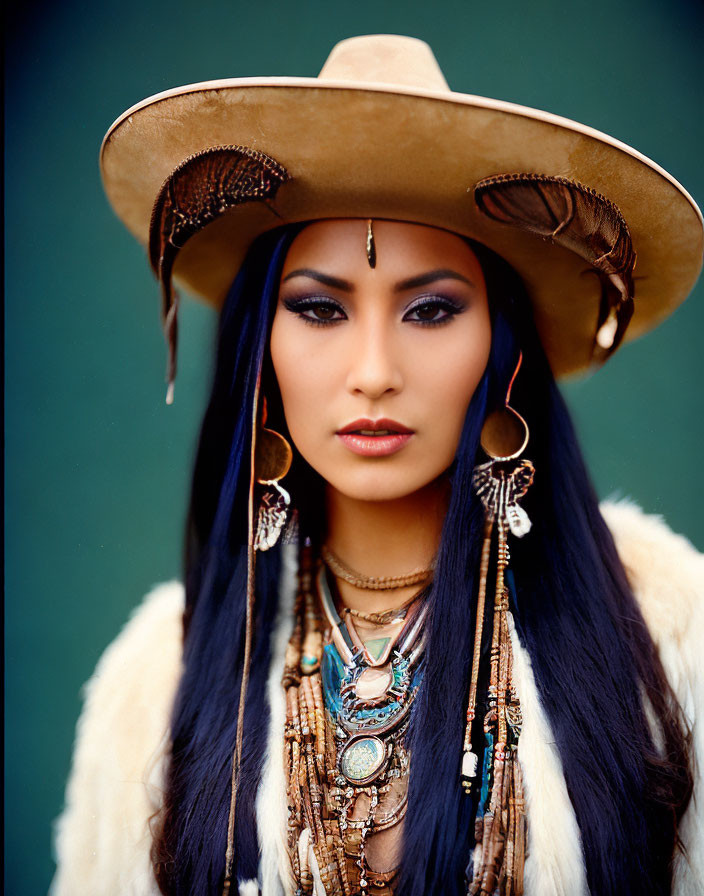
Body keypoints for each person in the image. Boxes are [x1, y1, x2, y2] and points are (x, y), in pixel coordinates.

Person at [51, 34, 703, 896]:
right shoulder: (155, 680)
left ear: (503, 349)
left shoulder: (668, 632)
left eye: (430, 310)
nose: (372, 371)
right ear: (262, 348)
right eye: (319, 310)